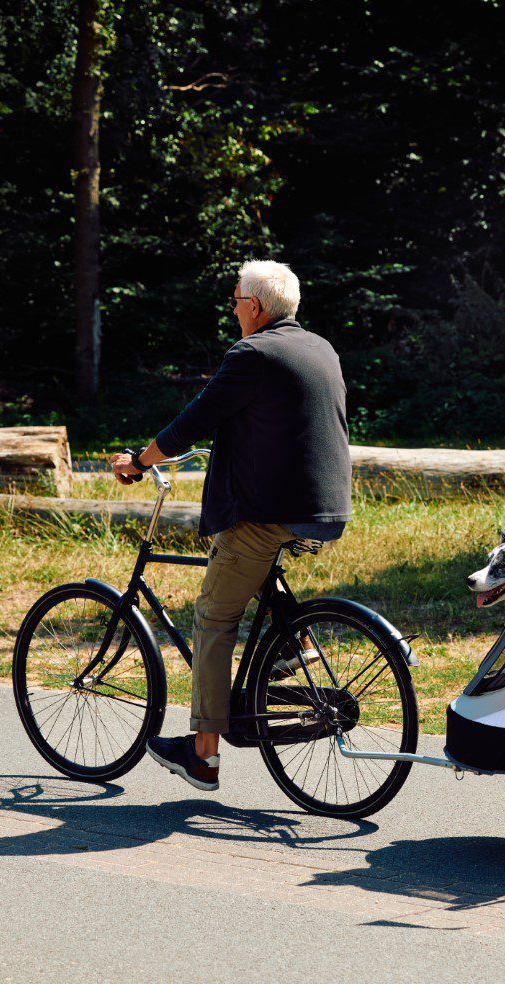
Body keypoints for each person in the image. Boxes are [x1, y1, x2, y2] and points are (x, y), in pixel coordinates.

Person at [108, 259, 351, 792]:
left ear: (255, 307)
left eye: (236, 299)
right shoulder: (319, 347)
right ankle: (298, 647)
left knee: (214, 620)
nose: (232, 308)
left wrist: (141, 461)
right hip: (324, 508)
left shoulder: (253, 353)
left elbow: (195, 418)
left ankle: (202, 757)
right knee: (252, 575)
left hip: (267, 513)